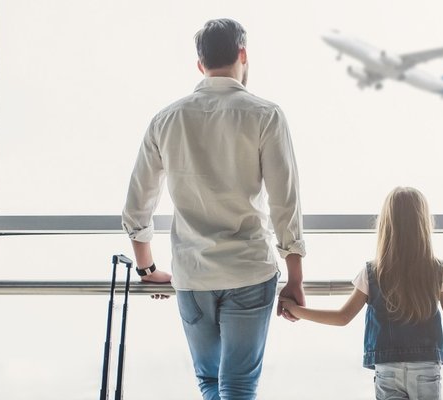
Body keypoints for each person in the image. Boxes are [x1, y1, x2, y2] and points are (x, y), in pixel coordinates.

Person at [121, 18, 306, 400]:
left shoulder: (166, 119)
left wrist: (147, 268)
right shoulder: (266, 115)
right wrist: (296, 278)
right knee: (238, 386)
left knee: (210, 383)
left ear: (200, 64)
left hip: (192, 274)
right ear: (243, 55)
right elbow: (284, 203)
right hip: (249, 272)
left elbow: (138, 206)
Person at [282, 187, 443, 400]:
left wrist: (297, 310)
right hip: (426, 367)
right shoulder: (437, 269)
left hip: (388, 368)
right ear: (423, 225)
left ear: (387, 225)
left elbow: (342, 317)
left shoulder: (372, 272)